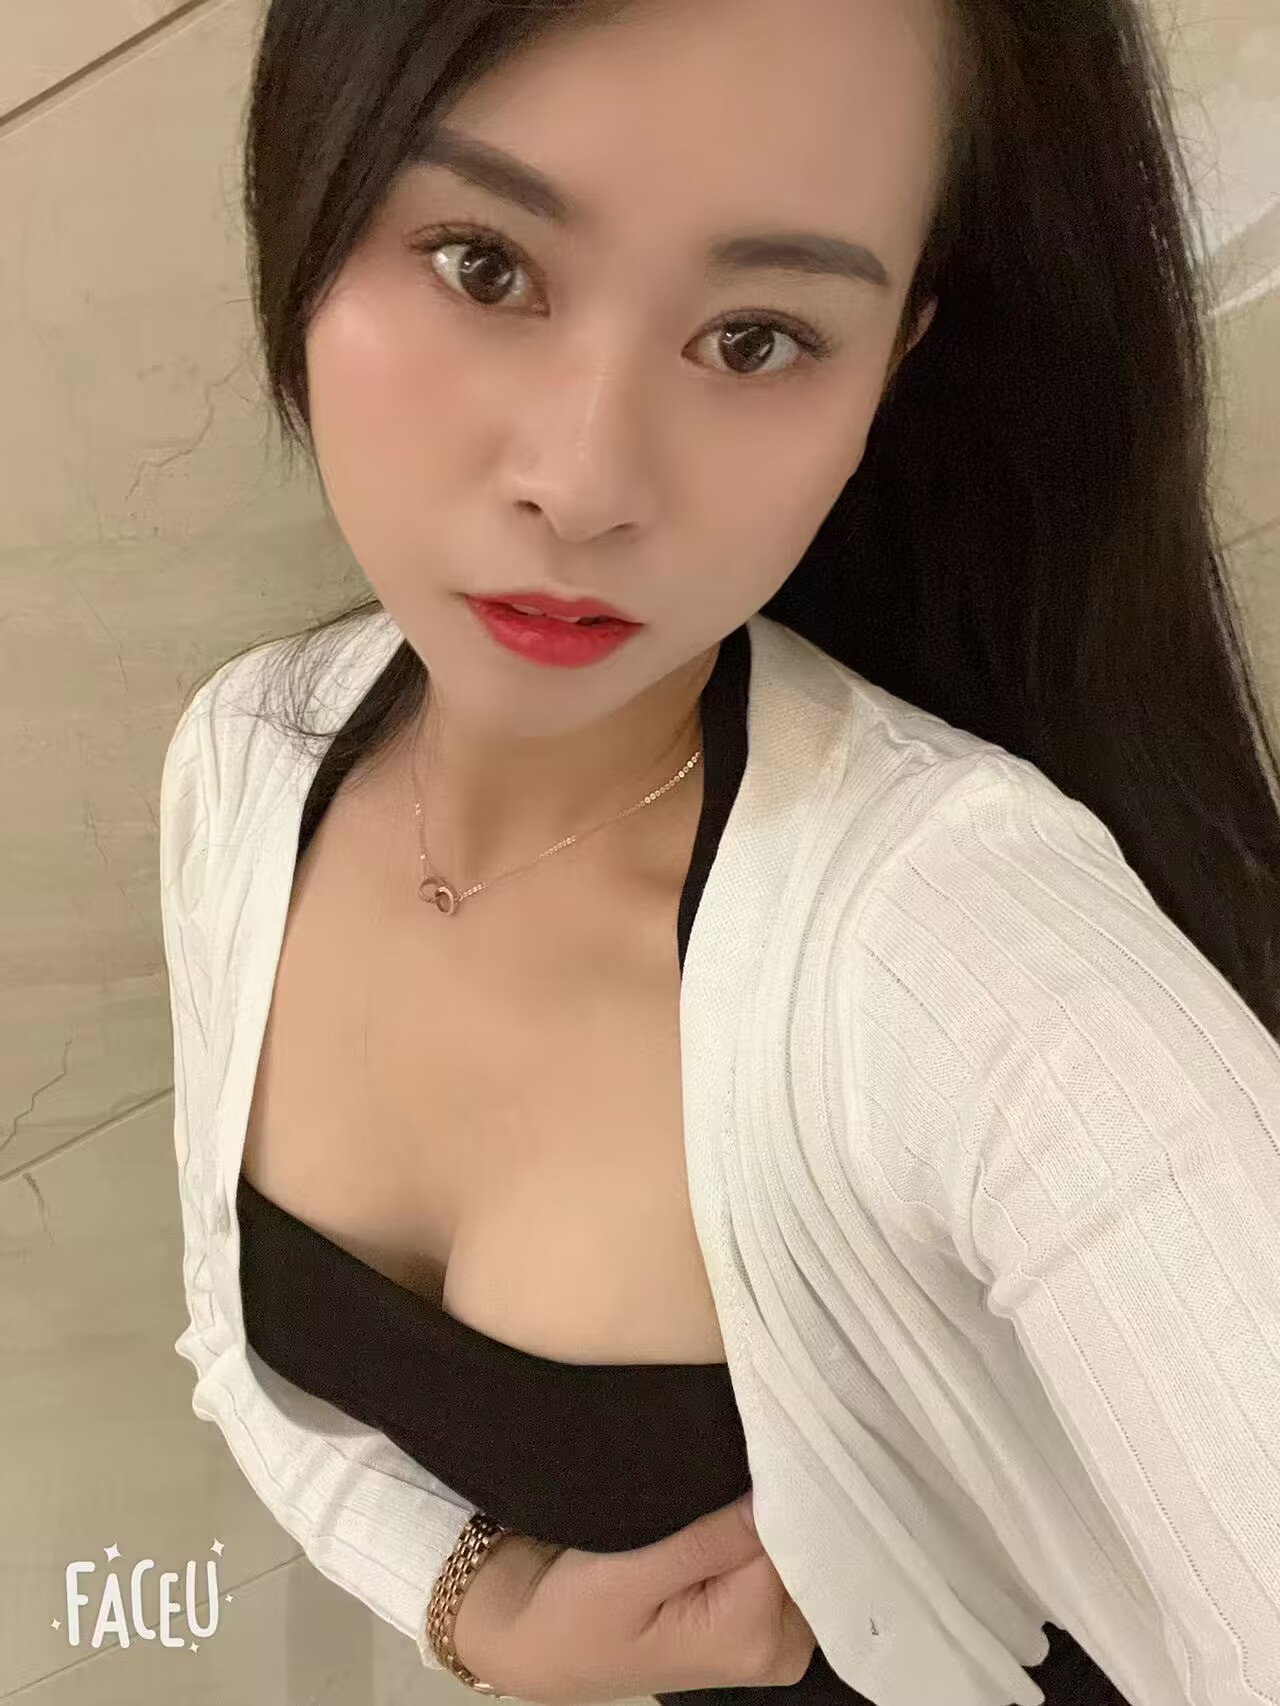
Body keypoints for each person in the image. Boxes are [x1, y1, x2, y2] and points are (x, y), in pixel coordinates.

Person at [158, 0, 1280, 1701]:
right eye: (482, 263)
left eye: (757, 339)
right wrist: (478, 1605)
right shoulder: (247, 764)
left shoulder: (954, 943)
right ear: (306, 185)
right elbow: (229, 1340)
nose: (584, 479)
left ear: (894, 362)